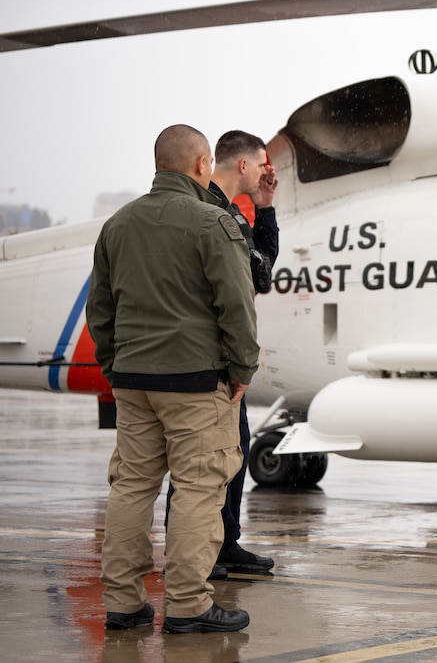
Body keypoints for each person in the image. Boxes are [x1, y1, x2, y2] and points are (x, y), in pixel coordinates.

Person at [87, 125, 259, 633]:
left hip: (133, 381)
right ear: (203, 164)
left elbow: (101, 309)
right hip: (195, 382)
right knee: (198, 490)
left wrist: (115, 364)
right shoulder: (212, 223)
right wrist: (242, 369)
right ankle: (187, 605)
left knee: (131, 487)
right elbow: (237, 307)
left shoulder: (117, 225)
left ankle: (123, 602)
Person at [163, 130, 278, 578]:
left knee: (233, 452)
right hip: (204, 357)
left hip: (227, 359)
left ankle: (224, 541)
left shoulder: (235, 214)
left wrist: (266, 209)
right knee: (199, 463)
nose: (270, 171)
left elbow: (261, 274)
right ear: (244, 164)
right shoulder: (206, 212)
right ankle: (195, 553)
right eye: (264, 163)